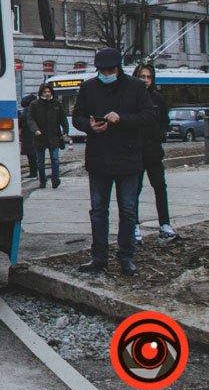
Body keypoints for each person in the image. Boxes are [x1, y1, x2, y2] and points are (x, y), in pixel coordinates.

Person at [71, 47, 157, 276]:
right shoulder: (89, 87)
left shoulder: (136, 87)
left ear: (117, 68)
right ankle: (99, 256)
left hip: (128, 158)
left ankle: (126, 256)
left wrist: (122, 119)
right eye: (102, 70)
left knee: (128, 210)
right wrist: (89, 125)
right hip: (99, 158)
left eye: (109, 70)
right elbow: (77, 116)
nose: (105, 74)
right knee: (98, 210)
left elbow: (148, 116)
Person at [133, 63, 177, 242]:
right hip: (135, 152)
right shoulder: (131, 98)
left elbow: (164, 121)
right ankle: (133, 227)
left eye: (148, 77)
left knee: (160, 187)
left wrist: (160, 134)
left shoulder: (158, 98)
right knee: (134, 190)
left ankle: (165, 225)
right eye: (142, 77)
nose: (145, 80)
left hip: (154, 151)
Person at [27, 83, 68, 188]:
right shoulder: (34, 104)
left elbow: (63, 119)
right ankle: (42, 180)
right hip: (39, 137)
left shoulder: (56, 104)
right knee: (40, 161)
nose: (47, 94)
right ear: (41, 93)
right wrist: (35, 129)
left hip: (54, 136)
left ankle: (55, 179)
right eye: (45, 92)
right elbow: (30, 119)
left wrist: (65, 131)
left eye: (49, 92)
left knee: (55, 159)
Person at [18, 94, 38, 178]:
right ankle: (34, 172)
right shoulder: (32, 109)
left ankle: (33, 173)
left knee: (32, 156)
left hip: (28, 136)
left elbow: (23, 121)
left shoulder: (26, 110)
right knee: (33, 156)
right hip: (30, 135)